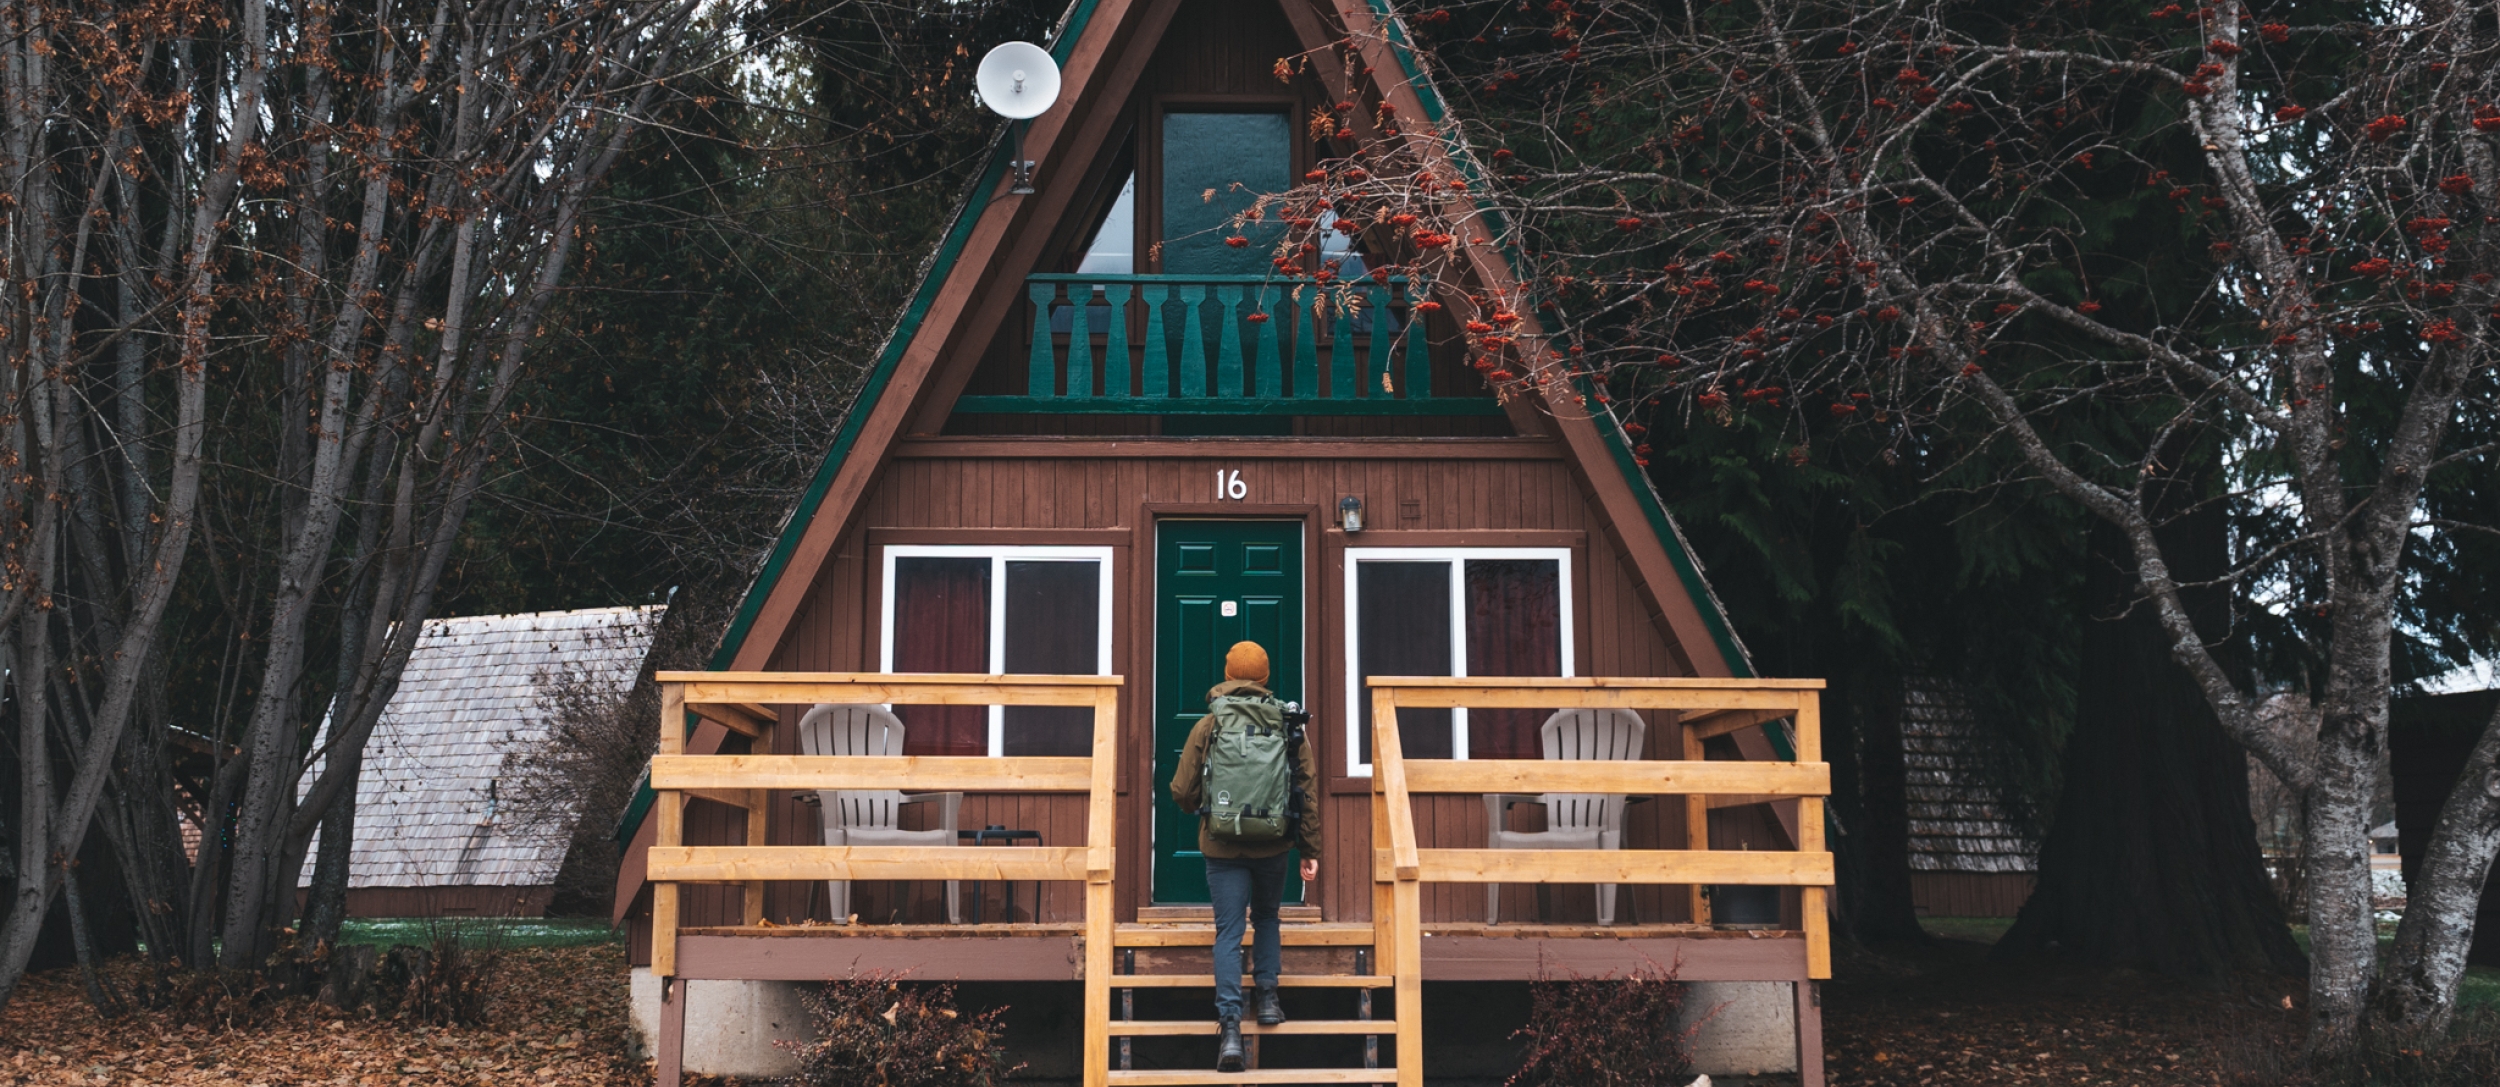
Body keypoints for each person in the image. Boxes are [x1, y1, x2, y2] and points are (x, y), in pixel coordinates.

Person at [1169, 640, 1321, 1073]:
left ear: (1229, 674)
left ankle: (1231, 1027)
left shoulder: (1209, 723)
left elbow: (1181, 791)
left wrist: (1208, 808)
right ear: (1264, 678)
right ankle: (1269, 1000)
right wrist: (1309, 849)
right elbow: (1305, 790)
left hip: (1222, 844)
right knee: (1269, 917)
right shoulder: (1289, 725)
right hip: (1274, 843)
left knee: (1229, 933)